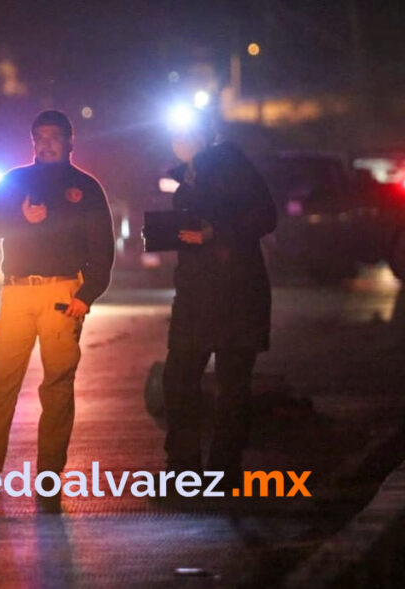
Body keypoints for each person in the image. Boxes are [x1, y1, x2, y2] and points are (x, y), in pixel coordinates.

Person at [0, 110, 115, 513]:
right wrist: (21, 217)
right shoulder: (15, 181)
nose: (45, 143)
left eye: (54, 137)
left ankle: (48, 485)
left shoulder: (85, 188)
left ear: (69, 142)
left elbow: (102, 247)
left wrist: (89, 293)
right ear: (32, 141)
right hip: (16, 291)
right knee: (1, 388)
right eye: (39, 137)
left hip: (62, 293)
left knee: (57, 388)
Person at [161, 110, 277, 487]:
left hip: (234, 292)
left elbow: (265, 216)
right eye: (175, 133)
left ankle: (221, 471)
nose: (180, 140)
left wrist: (217, 233)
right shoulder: (185, 178)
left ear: (206, 134)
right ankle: (185, 466)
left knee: (229, 382)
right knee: (181, 376)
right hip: (196, 294)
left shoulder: (228, 163)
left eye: (187, 132)